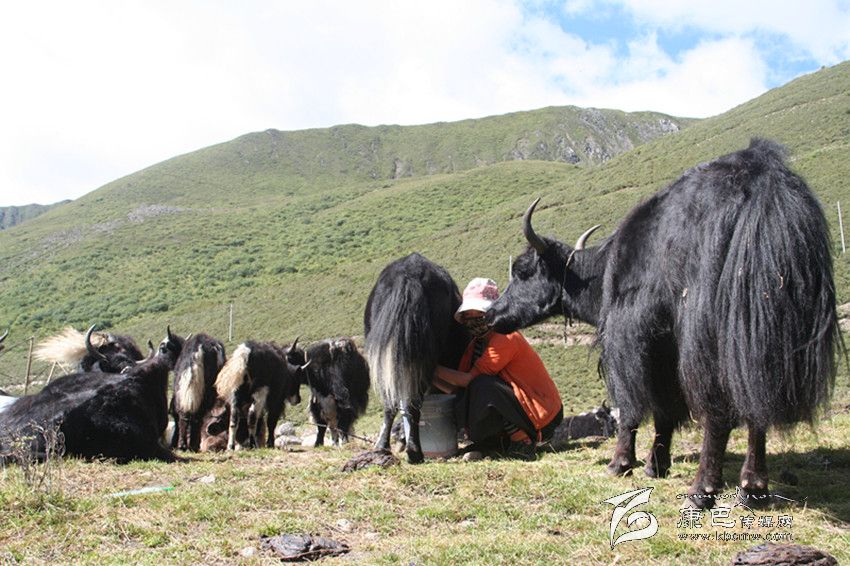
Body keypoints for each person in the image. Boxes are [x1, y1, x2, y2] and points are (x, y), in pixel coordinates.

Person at [433, 277, 563, 461]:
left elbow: (470, 380)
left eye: (480, 316)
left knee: (484, 385)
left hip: (541, 414)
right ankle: (494, 442)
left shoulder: (505, 338)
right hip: (521, 410)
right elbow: (460, 389)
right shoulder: (475, 346)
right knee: (467, 397)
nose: (474, 323)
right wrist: (430, 378)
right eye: (468, 318)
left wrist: (433, 369)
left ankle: (522, 442)